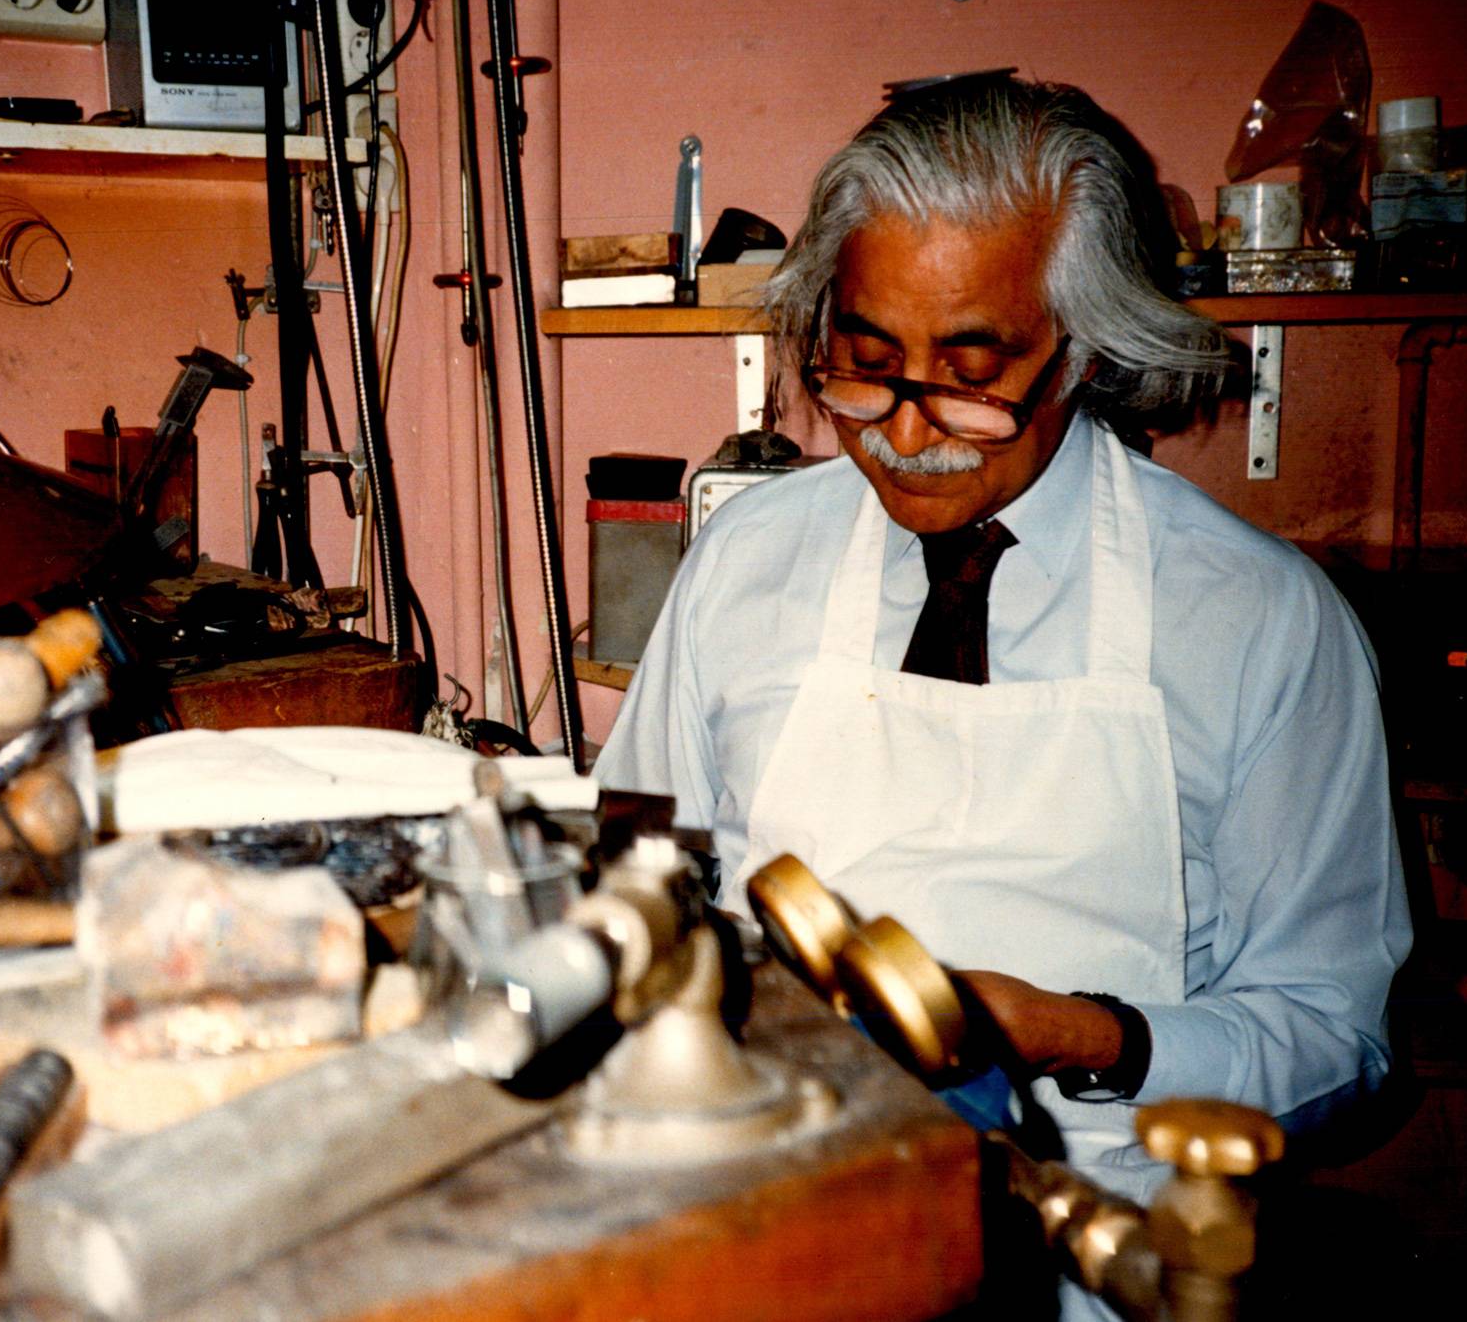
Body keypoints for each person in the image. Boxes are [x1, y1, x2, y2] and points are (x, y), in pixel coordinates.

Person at [594, 75, 1411, 1219]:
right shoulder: (746, 563)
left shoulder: (1255, 620)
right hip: (770, 1198)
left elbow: (1337, 1042)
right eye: (865, 368)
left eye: (972, 384)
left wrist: (1079, 1035)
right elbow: (629, 876)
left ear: (1081, 353)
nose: (910, 435)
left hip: (1104, 1222)